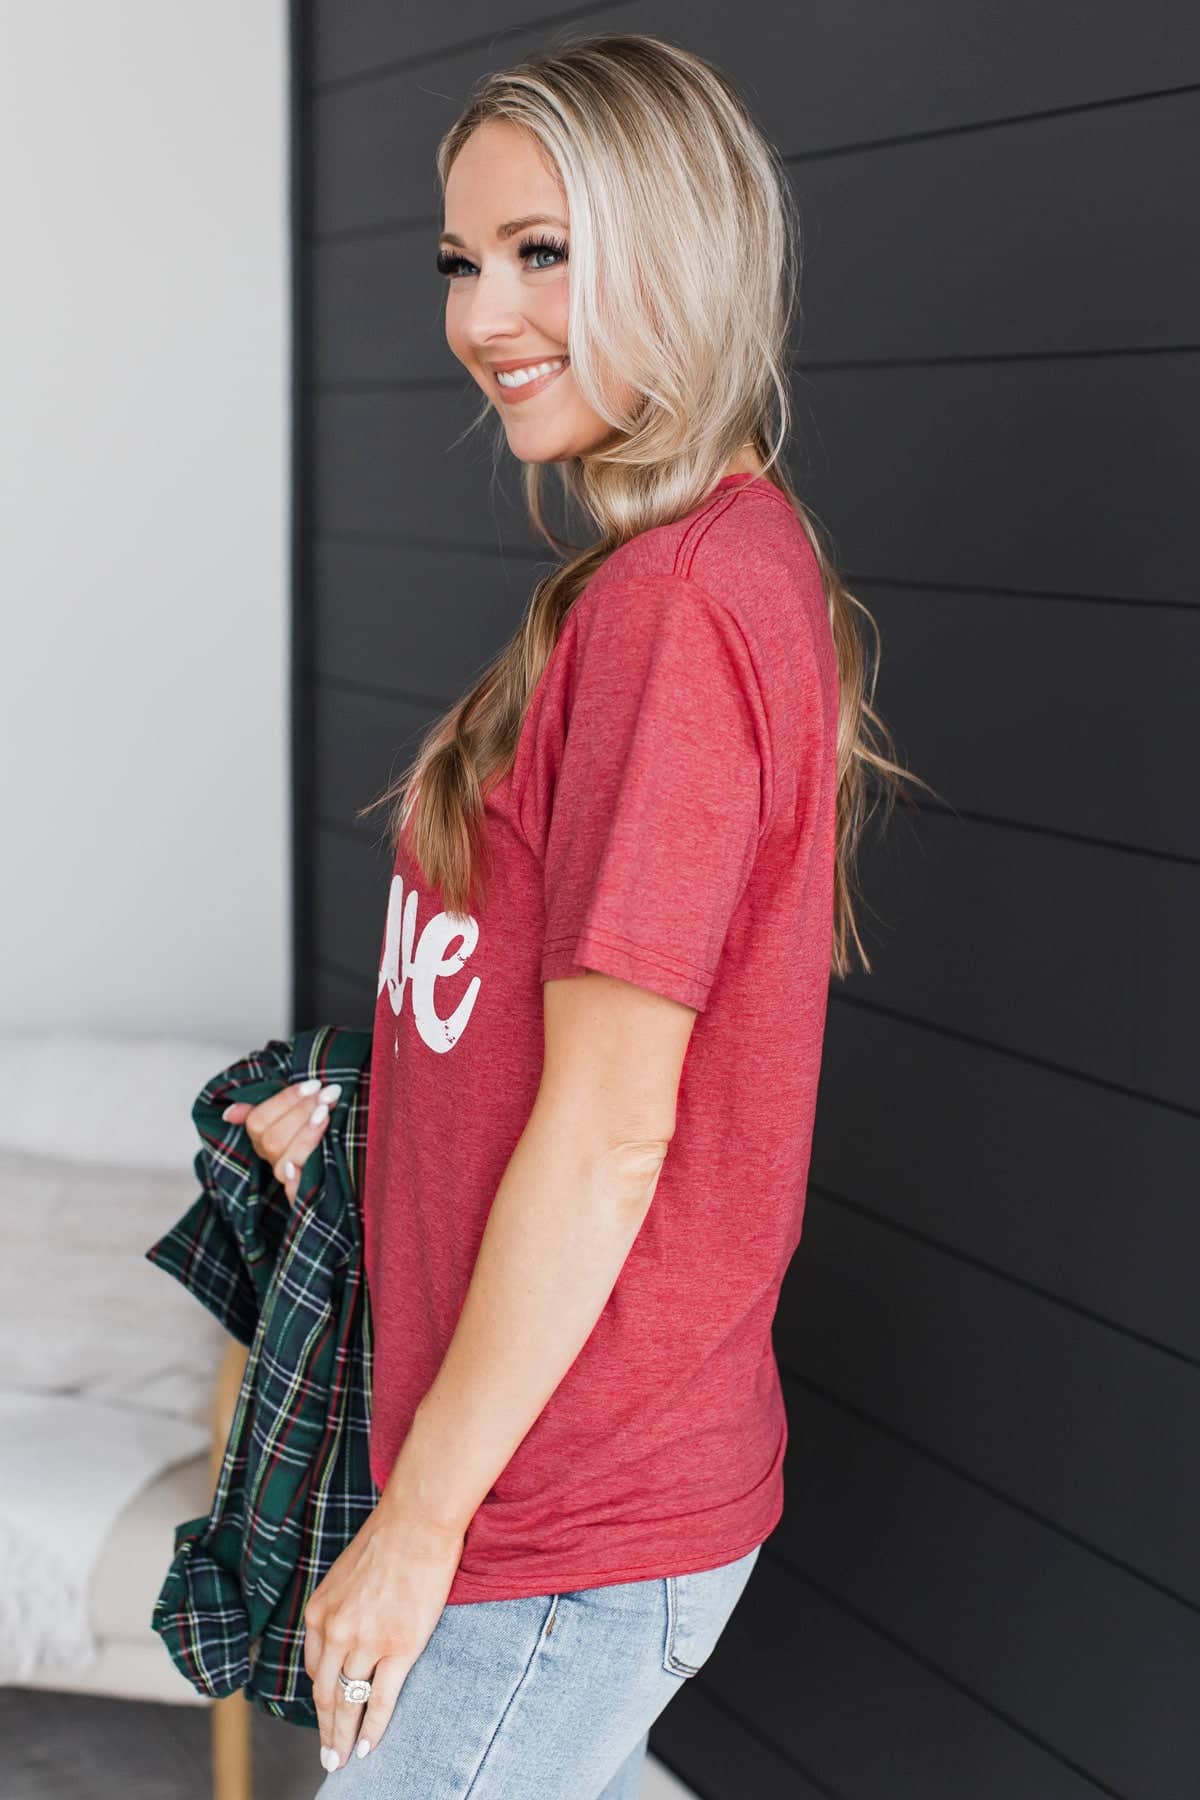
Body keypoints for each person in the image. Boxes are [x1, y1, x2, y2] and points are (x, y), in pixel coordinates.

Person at [244, 29, 915, 1798]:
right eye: (460, 260)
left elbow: (617, 1136)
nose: (484, 316)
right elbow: (534, 1040)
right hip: (543, 1474)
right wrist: (376, 1134)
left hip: (553, 1511)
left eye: (542, 251)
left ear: (678, 247)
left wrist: (417, 1526)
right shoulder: (660, 574)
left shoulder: (677, 610)